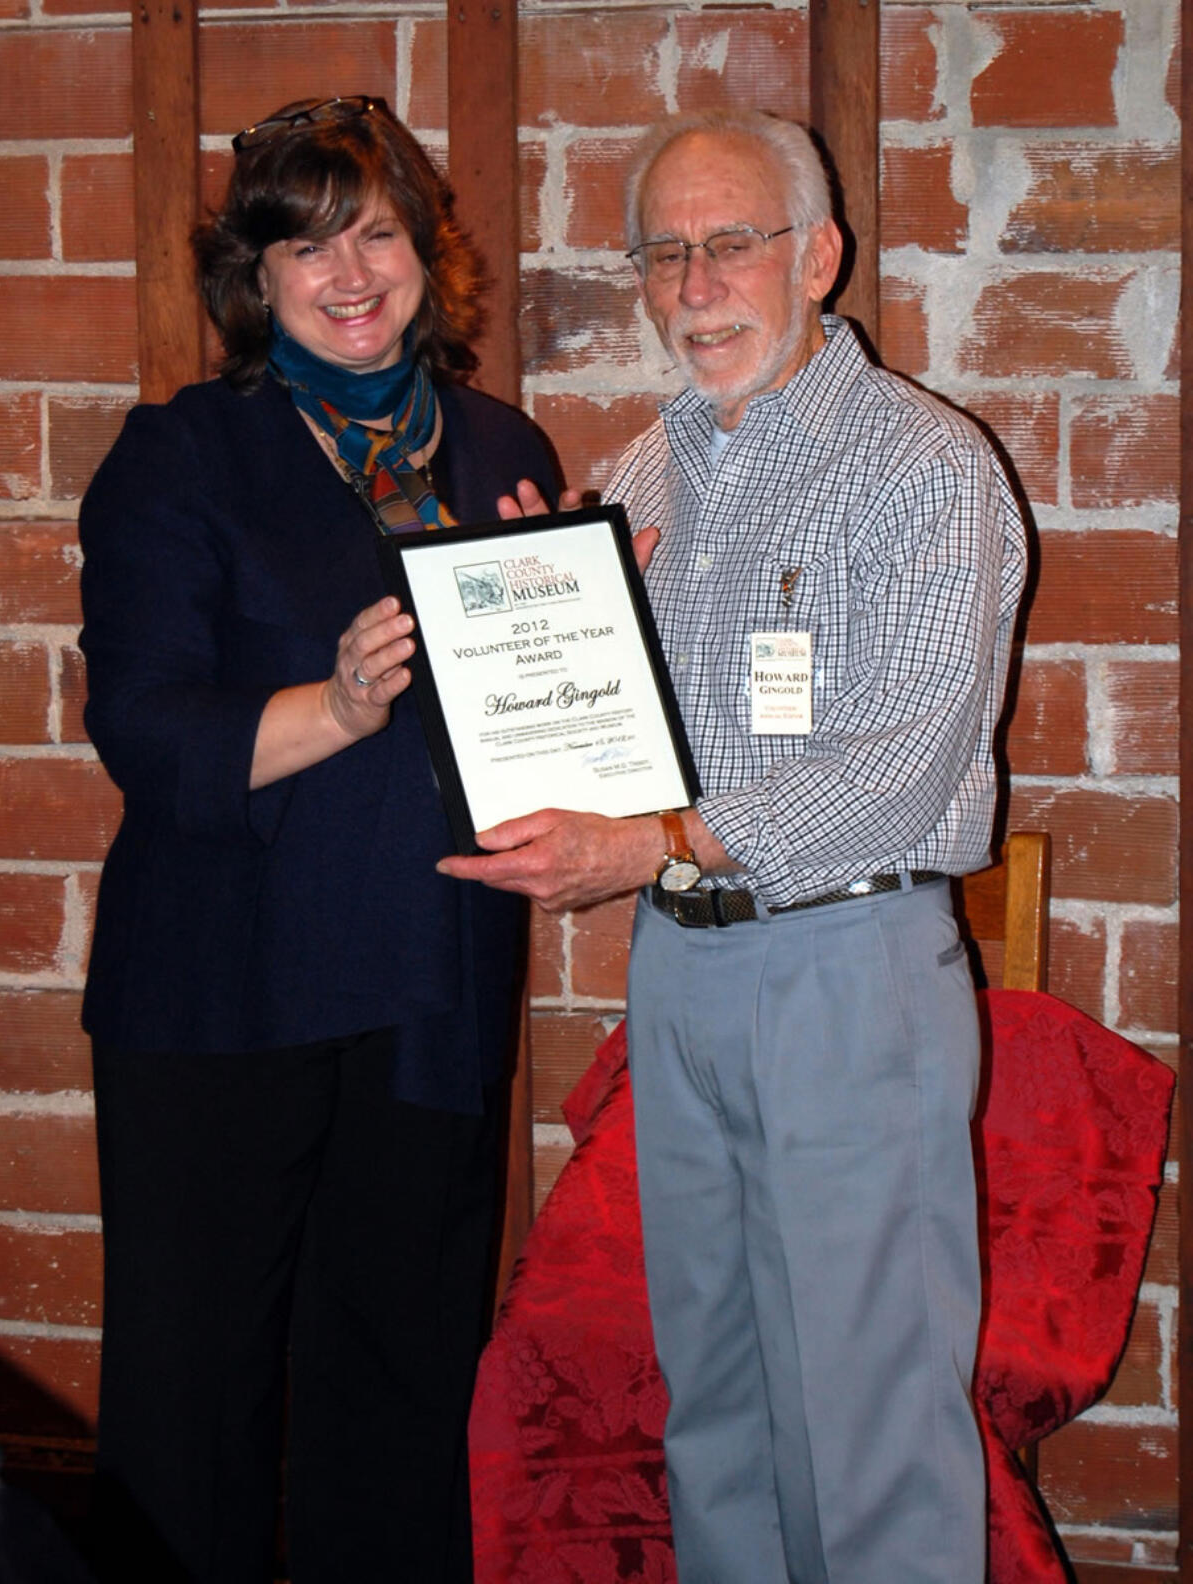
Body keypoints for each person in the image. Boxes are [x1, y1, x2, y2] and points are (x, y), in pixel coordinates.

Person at [443, 108, 1028, 1582]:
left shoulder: (921, 465)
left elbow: (896, 773)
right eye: (662, 254)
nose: (694, 285)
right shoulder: (643, 476)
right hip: (685, 976)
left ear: (816, 254)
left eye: (730, 244)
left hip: (849, 972)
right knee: (714, 1410)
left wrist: (646, 844)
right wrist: (552, 603)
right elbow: (621, 746)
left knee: (868, 1431)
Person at [78, 94, 558, 1584]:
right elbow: (146, 735)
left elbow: (531, 727)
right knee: (194, 1391)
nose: (347, 272)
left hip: (429, 983)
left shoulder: (498, 444)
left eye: (373, 230)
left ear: (424, 247)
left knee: (404, 1378)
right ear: (254, 277)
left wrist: (598, 636)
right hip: (223, 993)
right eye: (302, 246)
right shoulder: (179, 457)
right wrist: (338, 707)